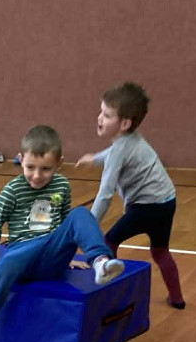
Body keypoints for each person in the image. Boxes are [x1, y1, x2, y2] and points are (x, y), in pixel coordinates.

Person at [0, 125, 124, 342]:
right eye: (30, 167)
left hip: (51, 259)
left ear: (59, 163)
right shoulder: (13, 190)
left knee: (80, 214)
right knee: (9, 261)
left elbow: (64, 224)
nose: (37, 175)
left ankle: (100, 262)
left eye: (46, 169)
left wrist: (67, 256)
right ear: (20, 159)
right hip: (22, 257)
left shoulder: (62, 185)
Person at [77, 82, 185, 310]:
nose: (99, 118)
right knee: (160, 251)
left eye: (107, 115)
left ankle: (108, 296)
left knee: (108, 242)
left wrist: (89, 226)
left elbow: (105, 194)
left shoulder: (120, 149)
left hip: (146, 207)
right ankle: (177, 298)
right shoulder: (133, 139)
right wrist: (95, 158)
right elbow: (114, 152)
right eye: (101, 112)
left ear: (125, 123)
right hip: (167, 201)